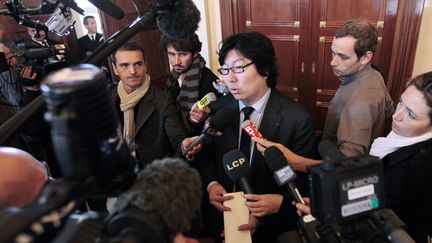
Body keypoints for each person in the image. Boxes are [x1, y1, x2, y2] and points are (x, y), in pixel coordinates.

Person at [277, 71, 432, 242]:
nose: (396, 115)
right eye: (401, 102)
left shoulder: (408, 172)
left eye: (411, 114)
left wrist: (331, 212)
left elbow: (375, 222)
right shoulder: (405, 138)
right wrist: (331, 204)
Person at [198, 32, 317, 243]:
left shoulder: (296, 119)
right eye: (225, 70)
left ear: (265, 69)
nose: (230, 78)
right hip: (222, 220)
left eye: (239, 68)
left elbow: (306, 184)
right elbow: (206, 155)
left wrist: (277, 205)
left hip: (271, 230)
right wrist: (212, 184)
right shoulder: (220, 110)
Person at [110, 42, 197, 167]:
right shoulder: (107, 96)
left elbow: (178, 139)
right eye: (124, 65)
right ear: (115, 69)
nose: (133, 71)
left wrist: (185, 145)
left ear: (146, 65)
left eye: (138, 64)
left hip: (152, 177)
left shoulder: (163, 100)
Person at [322, 18, 393, 157]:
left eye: (342, 56)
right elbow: (389, 108)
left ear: (365, 57)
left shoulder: (362, 100)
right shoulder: (374, 73)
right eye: (333, 53)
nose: (332, 62)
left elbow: (349, 159)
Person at [161, 33, 220, 135]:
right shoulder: (172, 77)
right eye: (171, 54)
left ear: (195, 53)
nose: (176, 61)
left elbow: (215, 123)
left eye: (182, 54)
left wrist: (197, 120)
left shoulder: (210, 80)